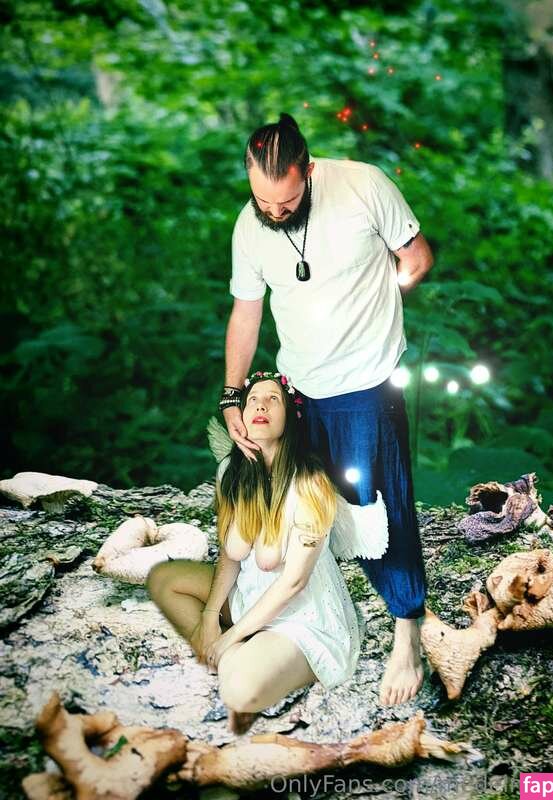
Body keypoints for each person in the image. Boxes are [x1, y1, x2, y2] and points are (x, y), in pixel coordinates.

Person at [220, 113, 435, 707]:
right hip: (297, 385)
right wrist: (232, 393)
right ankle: (305, 616)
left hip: (366, 382)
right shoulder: (250, 226)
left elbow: (416, 257)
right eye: (263, 201)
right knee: (299, 505)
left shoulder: (364, 186)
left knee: (377, 507)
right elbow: (246, 312)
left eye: (286, 202)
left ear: (308, 171)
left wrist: (382, 297)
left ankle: (408, 631)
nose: (273, 213)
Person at [147, 372, 361, 735]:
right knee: (163, 578)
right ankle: (235, 649)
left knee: (240, 692)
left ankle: (242, 656)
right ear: (241, 417)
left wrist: (229, 638)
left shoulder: (310, 483)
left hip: (299, 617)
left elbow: (294, 583)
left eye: (273, 399)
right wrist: (210, 616)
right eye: (252, 400)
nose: (261, 405)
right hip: (247, 599)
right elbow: (230, 556)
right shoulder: (231, 471)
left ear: (290, 418)